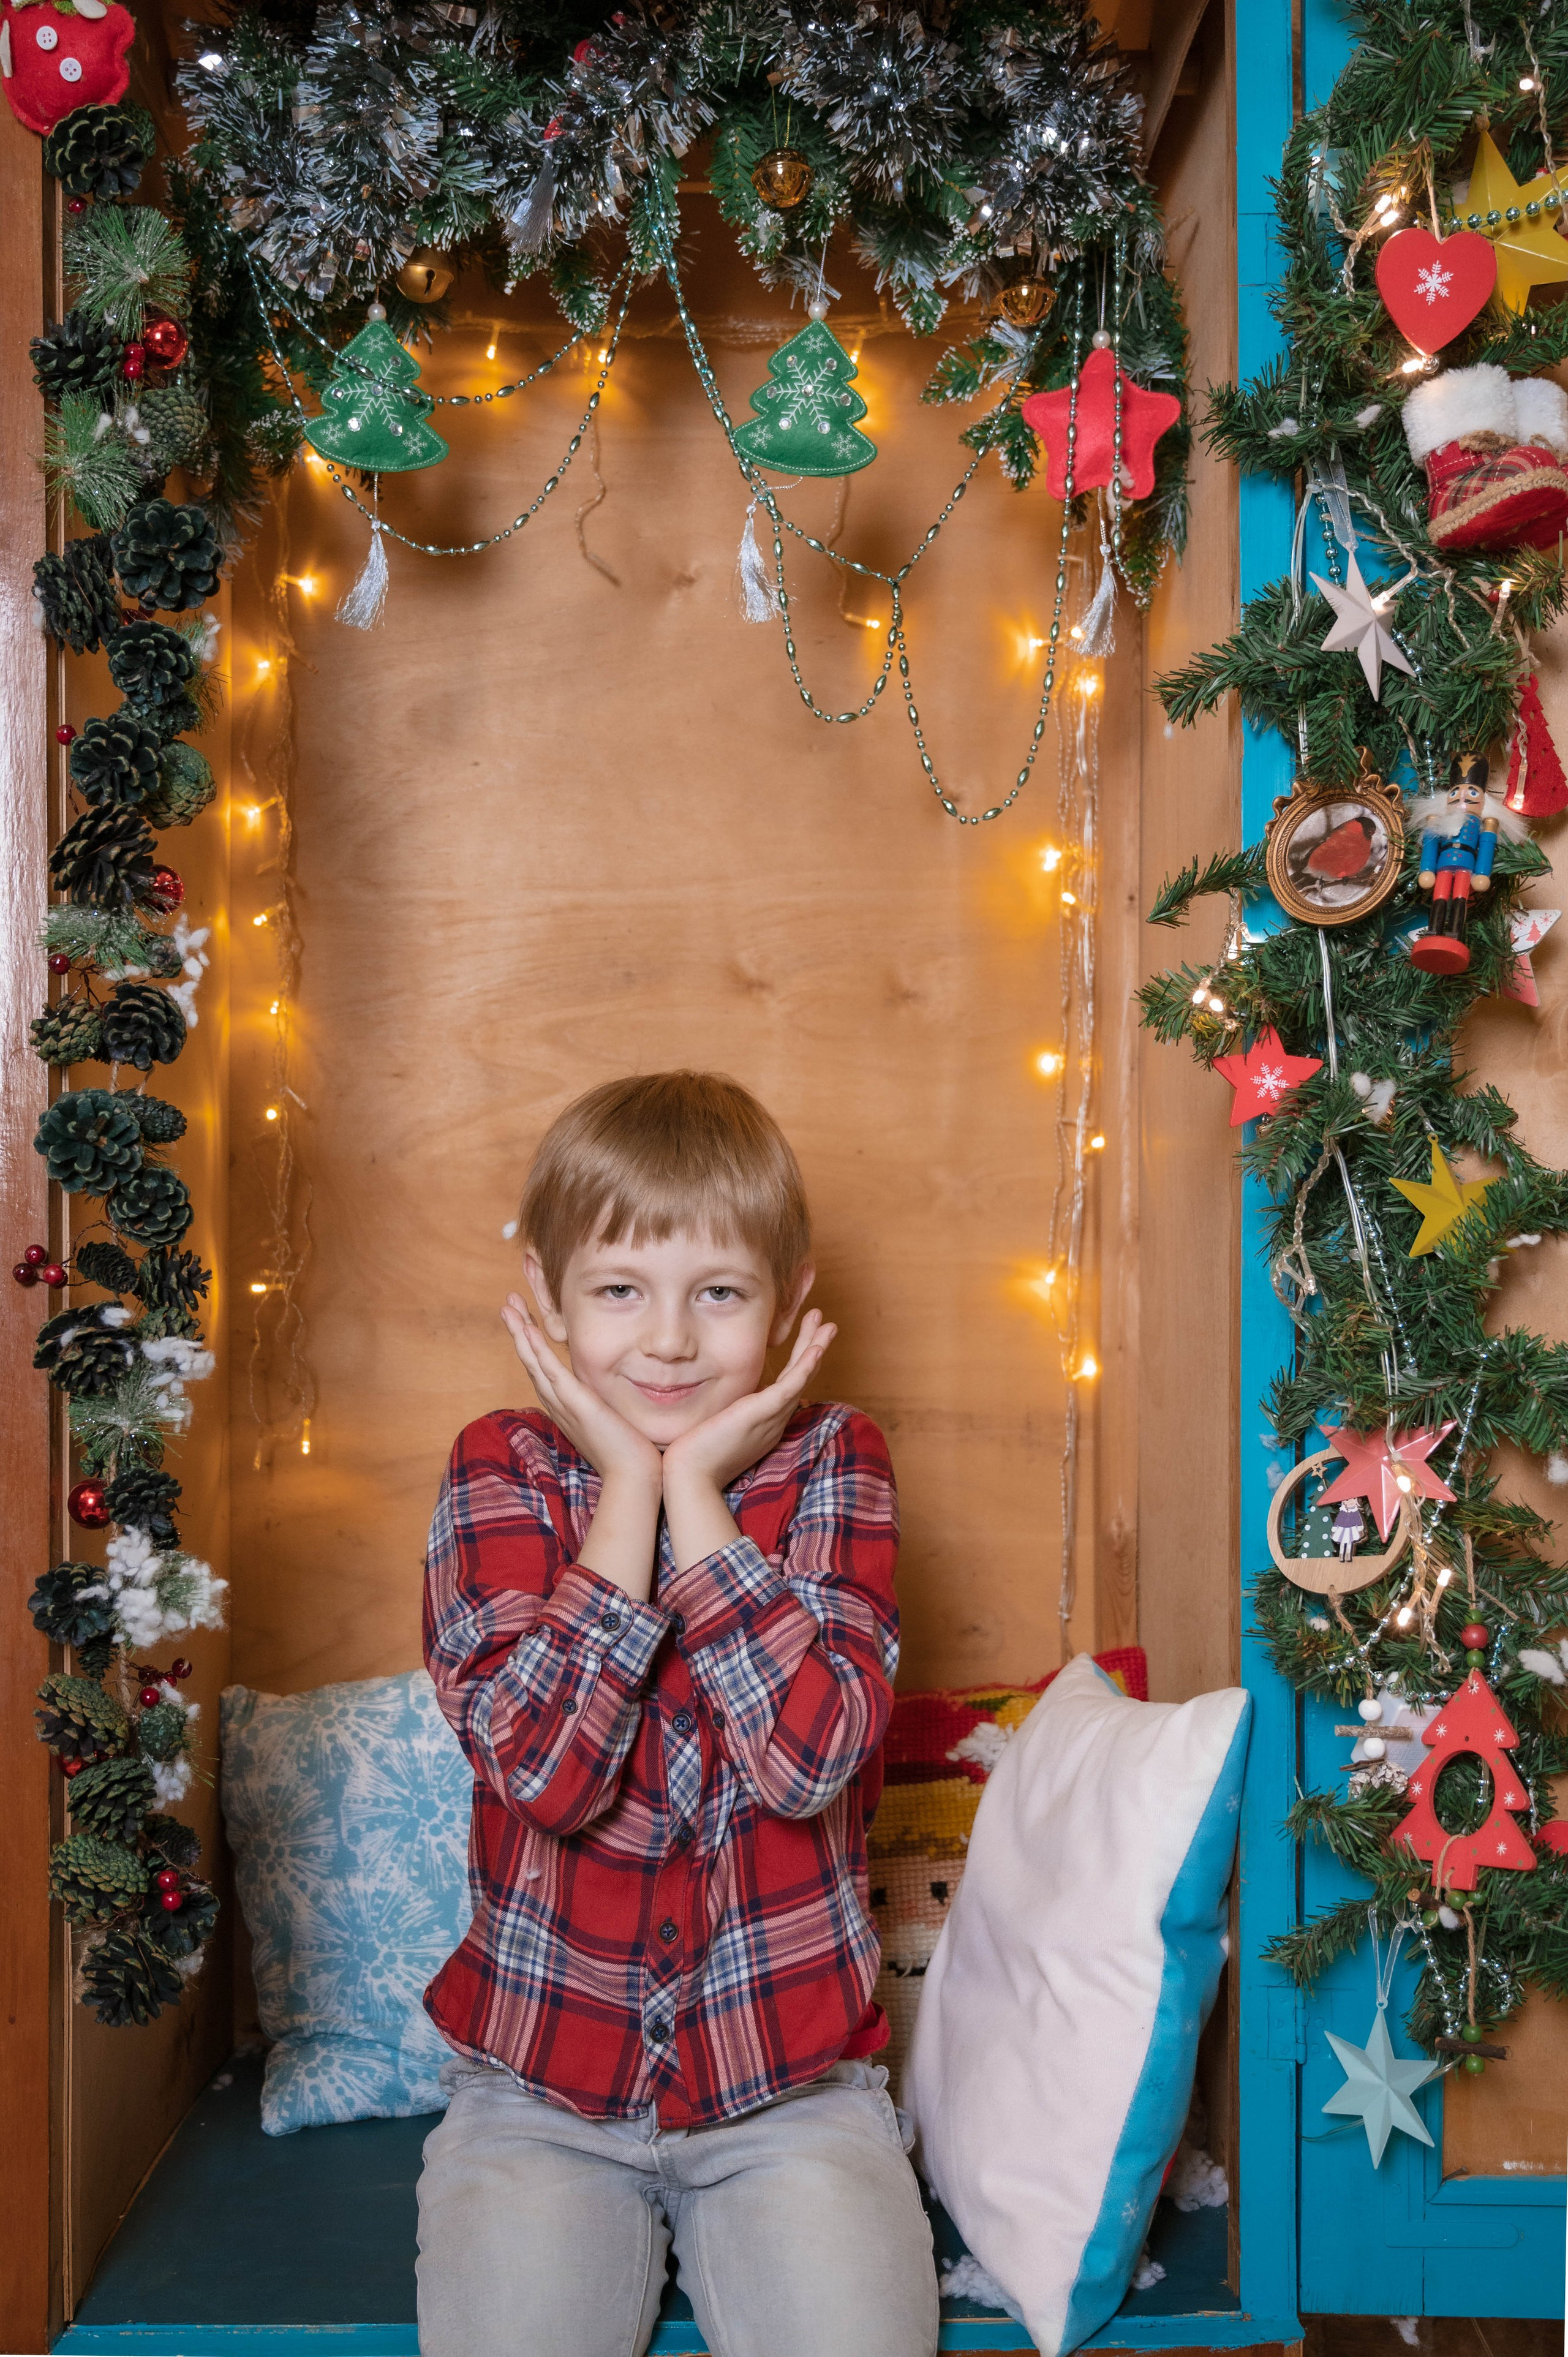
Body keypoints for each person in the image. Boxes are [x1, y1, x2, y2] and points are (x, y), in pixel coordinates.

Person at [416, 1071, 938, 2357]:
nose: (665, 1342)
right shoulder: (499, 1466)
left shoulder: (836, 1460)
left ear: (790, 1298)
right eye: (616, 1292)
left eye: (717, 1292)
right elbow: (545, 1774)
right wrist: (624, 1498)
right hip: (538, 2090)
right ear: (543, 1295)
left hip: (787, 2094)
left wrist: (692, 1491)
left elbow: (807, 1756)